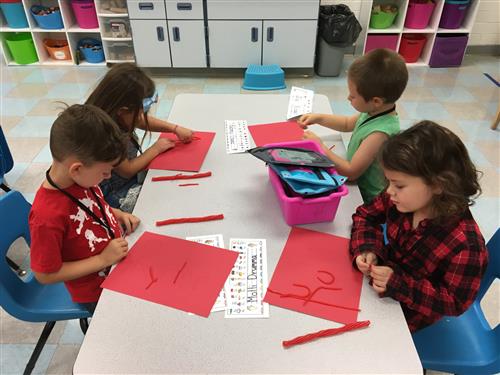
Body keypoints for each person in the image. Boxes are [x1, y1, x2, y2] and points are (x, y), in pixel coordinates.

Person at [349, 121, 488, 332]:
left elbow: (454, 302)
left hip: (411, 313)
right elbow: (365, 216)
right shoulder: (401, 199)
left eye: (399, 185)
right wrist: (367, 248)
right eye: (389, 182)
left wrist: (398, 284)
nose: (389, 192)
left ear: (438, 184)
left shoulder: (466, 245)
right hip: (378, 289)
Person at [29, 104, 141, 313]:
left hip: (116, 262)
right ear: (77, 168)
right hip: (96, 292)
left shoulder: (80, 180)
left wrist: (117, 214)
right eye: (105, 173)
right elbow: (44, 274)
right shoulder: (47, 216)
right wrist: (102, 259)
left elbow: (90, 207)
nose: (107, 177)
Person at [298, 48, 408, 203]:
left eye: (353, 95)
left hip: (364, 196)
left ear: (376, 101)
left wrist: (320, 147)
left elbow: (351, 173)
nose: (348, 97)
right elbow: (347, 123)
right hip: (352, 181)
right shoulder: (375, 111)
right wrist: (319, 118)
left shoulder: (379, 133)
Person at [86, 63, 194, 213]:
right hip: (116, 194)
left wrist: (174, 128)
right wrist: (156, 148)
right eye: (140, 111)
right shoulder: (104, 134)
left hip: (129, 179)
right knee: (165, 201)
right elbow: (127, 170)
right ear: (122, 111)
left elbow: (140, 120)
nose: (142, 116)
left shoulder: (116, 112)